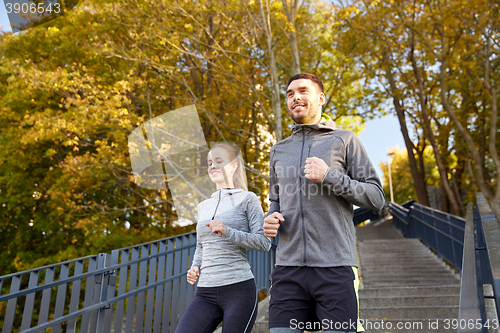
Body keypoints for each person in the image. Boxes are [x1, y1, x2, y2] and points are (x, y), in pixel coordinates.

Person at [263, 73, 385, 333]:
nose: (295, 97)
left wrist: (330, 176)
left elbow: (376, 197)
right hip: (288, 269)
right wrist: (271, 218)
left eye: (303, 91)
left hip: (334, 266)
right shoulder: (278, 150)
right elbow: (275, 201)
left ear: (320, 99)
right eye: (290, 93)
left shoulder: (345, 140)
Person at [175, 142, 271, 333]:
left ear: (234, 165)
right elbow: (202, 245)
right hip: (205, 292)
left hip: (238, 290)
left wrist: (227, 231)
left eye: (219, 161)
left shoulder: (248, 198)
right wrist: (195, 266)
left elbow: (264, 242)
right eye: (210, 162)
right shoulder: (204, 206)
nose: (212, 166)